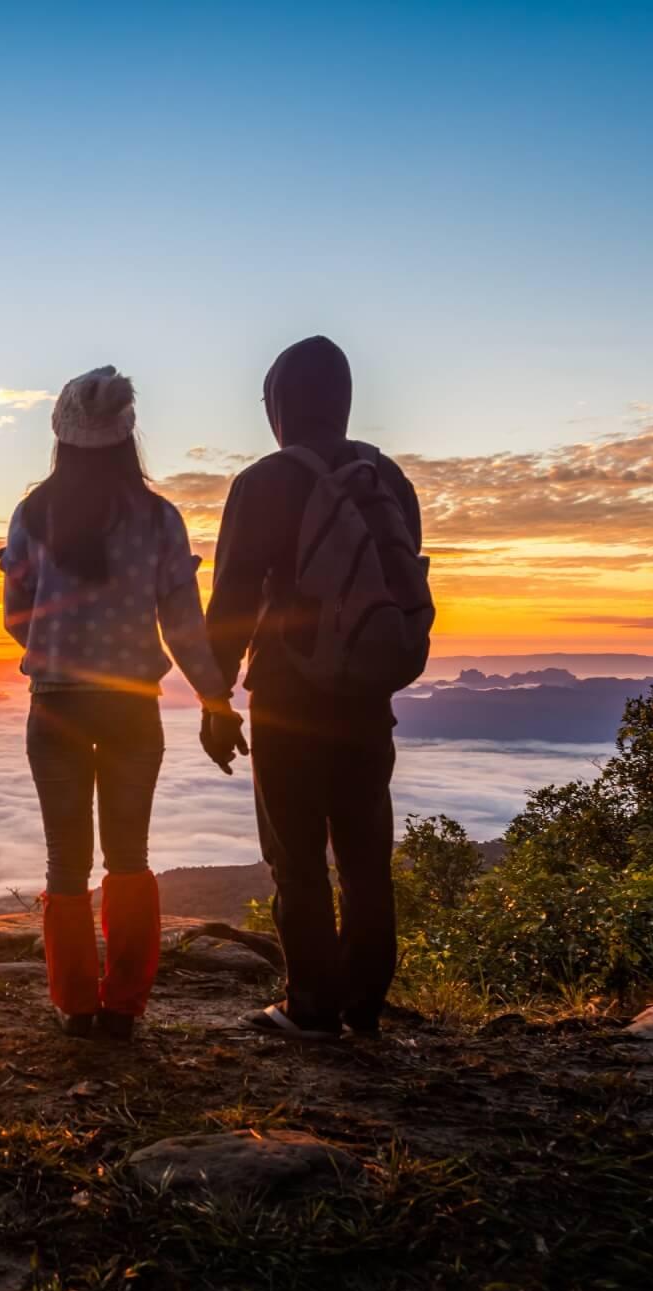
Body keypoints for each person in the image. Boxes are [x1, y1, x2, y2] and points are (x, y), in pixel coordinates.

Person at [0, 366, 238, 1040]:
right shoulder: (158, 520)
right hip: (133, 709)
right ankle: (124, 1005)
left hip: (56, 708)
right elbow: (183, 625)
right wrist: (215, 699)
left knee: (65, 863)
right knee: (129, 856)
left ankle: (75, 1004)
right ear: (127, 437)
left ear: (63, 437)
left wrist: (58, 644)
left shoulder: (32, 516)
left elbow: (16, 617)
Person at [201, 335, 426, 1040]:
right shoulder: (387, 477)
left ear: (280, 406)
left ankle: (311, 1006)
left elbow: (232, 602)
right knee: (365, 856)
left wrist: (215, 699)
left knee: (296, 856)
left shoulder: (264, 482)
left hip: (288, 696)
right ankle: (365, 1004)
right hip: (367, 697)